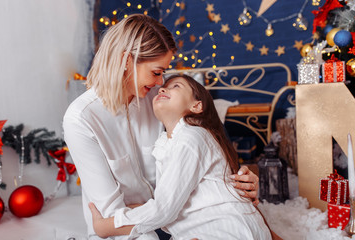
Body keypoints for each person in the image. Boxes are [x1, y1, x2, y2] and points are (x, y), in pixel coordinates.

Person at [63, 14, 259, 240]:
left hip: (175, 216)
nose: (160, 83)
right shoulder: (81, 119)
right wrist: (167, 215)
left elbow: (205, 140)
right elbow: (109, 216)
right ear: (126, 61)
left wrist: (237, 181)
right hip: (124, 229)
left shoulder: (159, 99)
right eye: (156, 72)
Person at [88, 74, 273, 240]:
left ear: (196, 105)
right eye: (163, 87)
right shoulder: (169, 142)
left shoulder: (191, 137)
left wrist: (105, 227)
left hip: (226, 229)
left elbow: (164, 209)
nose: (162, 88)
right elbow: (167, 203)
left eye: (175, 86)